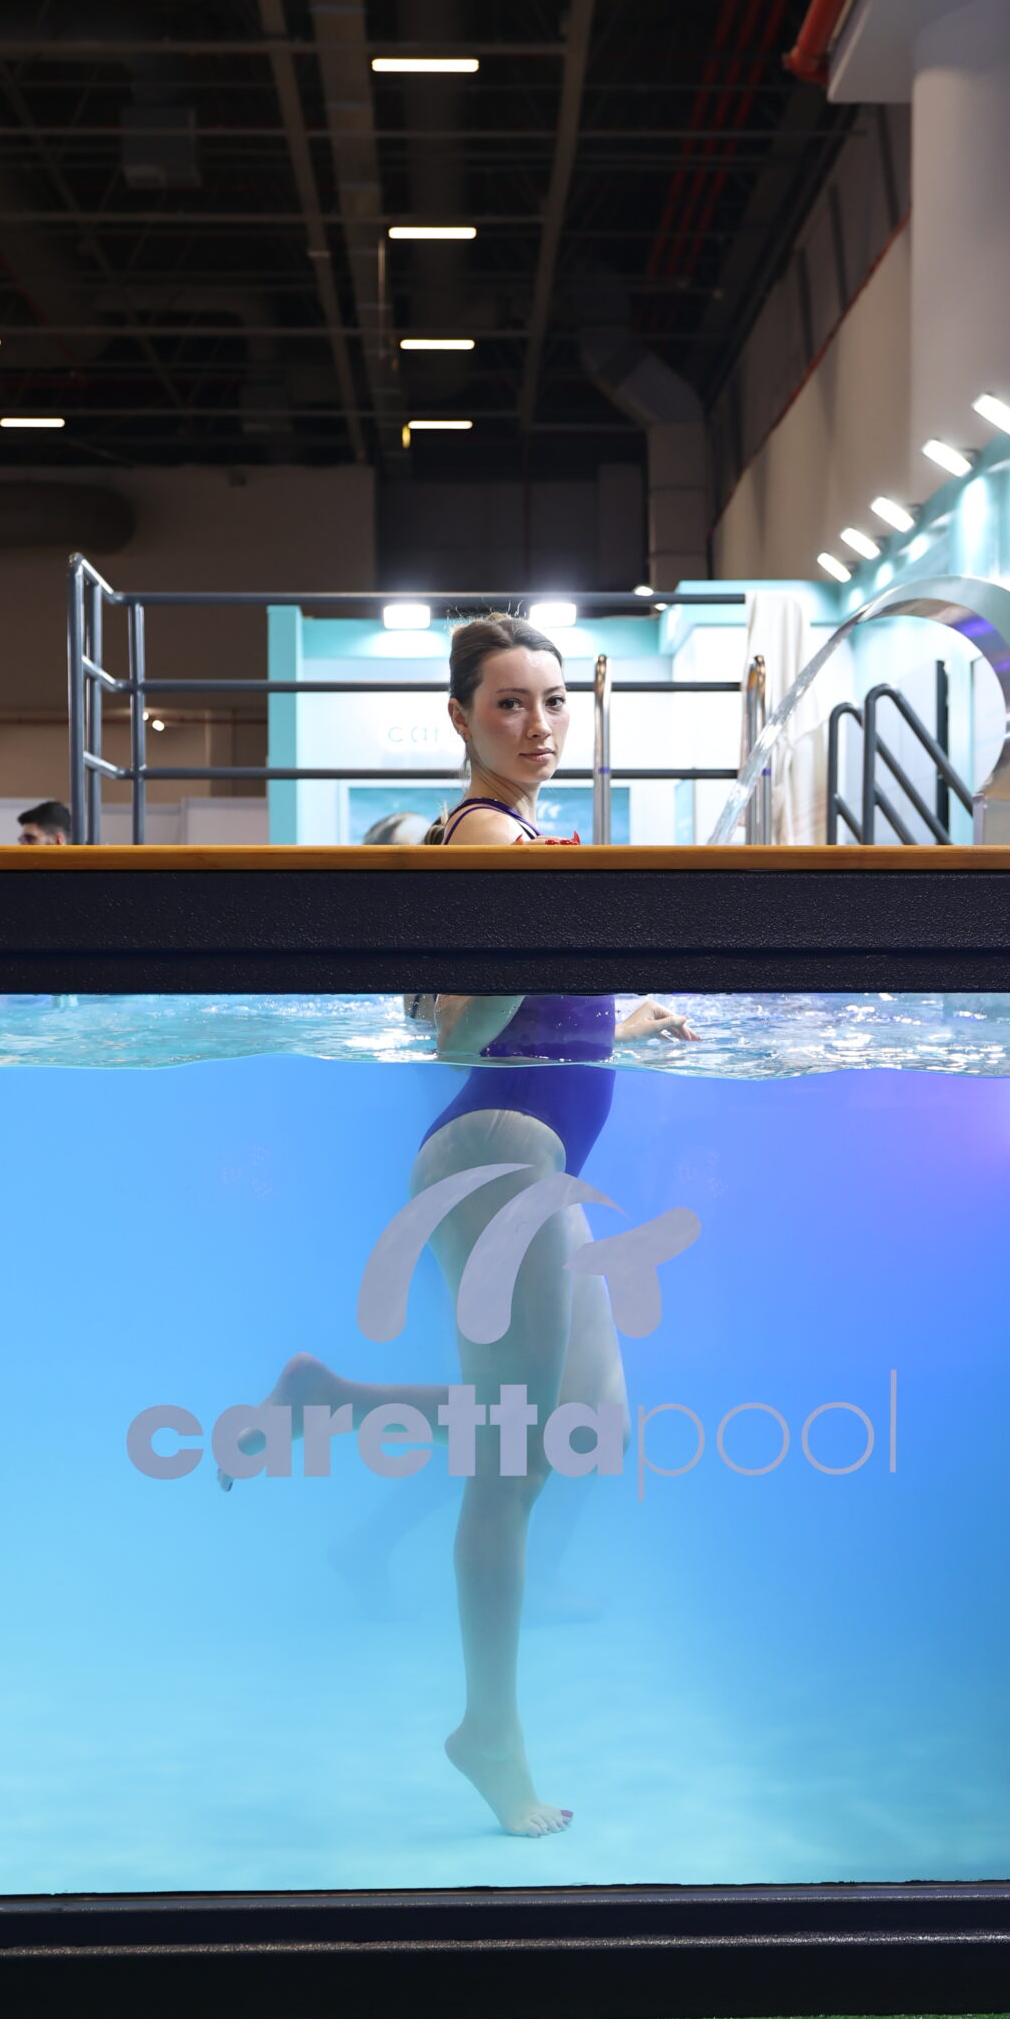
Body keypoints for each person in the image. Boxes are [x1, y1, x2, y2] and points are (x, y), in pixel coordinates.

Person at [267, 612, 695, 1838]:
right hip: (500, 1150)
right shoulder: (489, 834)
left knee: (588, 1421)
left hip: (530, 1155)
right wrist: (542, 930)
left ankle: (335, 1400)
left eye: (555, 701)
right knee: (511, 1466)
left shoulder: (517, 836)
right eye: (510, 703)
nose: (539, 724)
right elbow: (461, 1028)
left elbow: (515, 1008)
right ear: (461, 718)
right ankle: (488, 1731)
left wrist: (620, 1013)